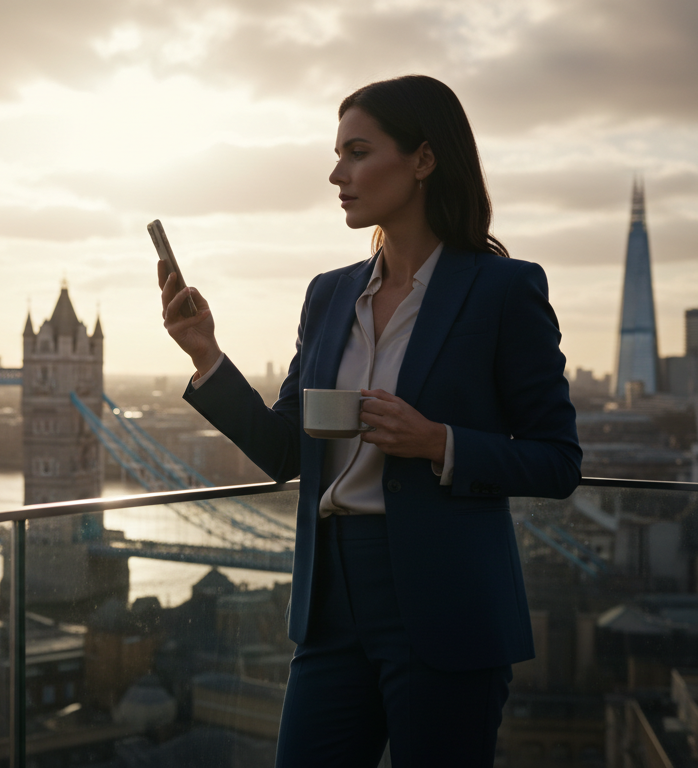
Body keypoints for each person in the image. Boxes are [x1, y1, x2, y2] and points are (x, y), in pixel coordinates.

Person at [157, 75, 581, 767]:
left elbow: (558, 461)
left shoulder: (503, 290)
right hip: (329, 602)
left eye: (357, 152)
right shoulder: (328, 296)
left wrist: (436, 442)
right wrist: (205, 353)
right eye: (337, 154)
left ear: (423, 159)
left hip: (446, 603)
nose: (336, 174)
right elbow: (283, 450)